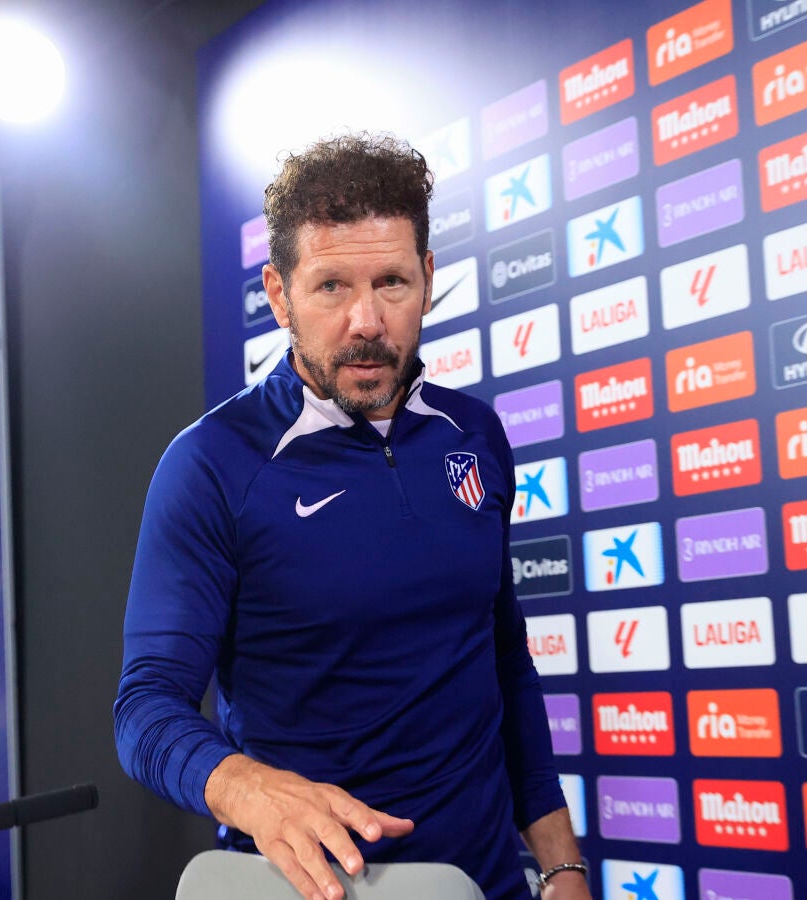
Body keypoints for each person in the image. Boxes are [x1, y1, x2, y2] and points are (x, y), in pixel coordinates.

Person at [116, 134, 589, 900]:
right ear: (280, 296)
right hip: (314, 890)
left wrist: (562, 862)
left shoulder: (474, 434)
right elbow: (145, 709)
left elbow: (505, 661)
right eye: (331, 286)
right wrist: (245, 787)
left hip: (485, 886)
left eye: (391, 282)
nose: (366, 320)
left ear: (427, 279)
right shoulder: (213, 464)